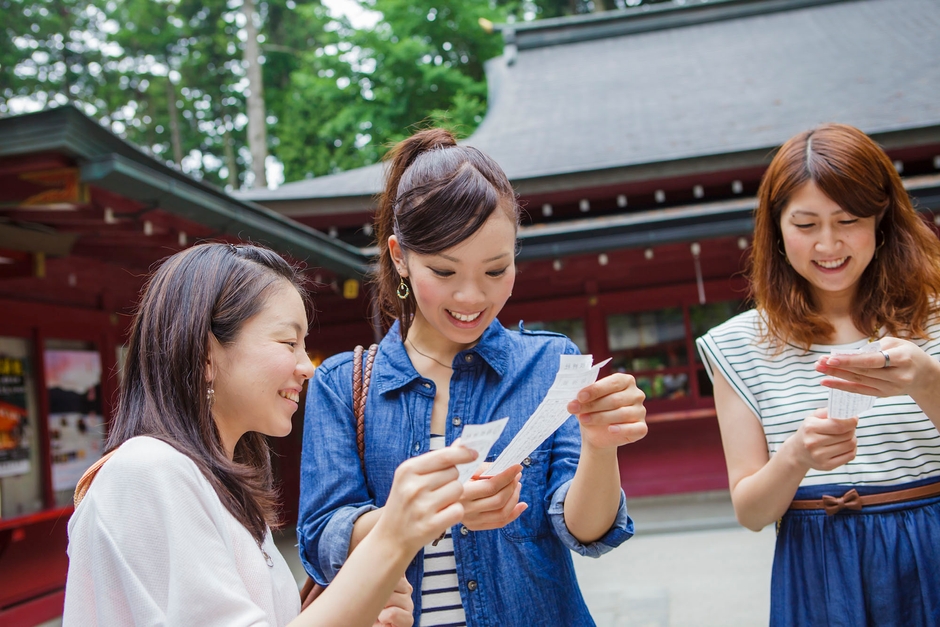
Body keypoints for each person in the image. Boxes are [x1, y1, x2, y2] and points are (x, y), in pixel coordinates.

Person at [298, 129, 648, 627]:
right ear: (399, 257)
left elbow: (586, 531)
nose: (471, 298)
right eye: (444, 272)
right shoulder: (341, 384)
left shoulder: (550, 365)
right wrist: (435, 511)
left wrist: (600, 445)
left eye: (495, 270)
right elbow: (322, 538)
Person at [63, 243, 477, 627]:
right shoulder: (148, 470)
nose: (307, 366)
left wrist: (361, 609)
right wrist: (389, 540)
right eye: (288, 341)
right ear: (206, 354)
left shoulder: (214, 488)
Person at [696, 123, 940, 626]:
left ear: (882, 219)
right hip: (818, 570)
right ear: (777, 230)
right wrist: (796, 456)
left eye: (848, 220)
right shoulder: (736, 346)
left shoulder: (934, 318)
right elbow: (751, 512)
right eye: (806, 225)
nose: (828, 244)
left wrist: (926, 382)